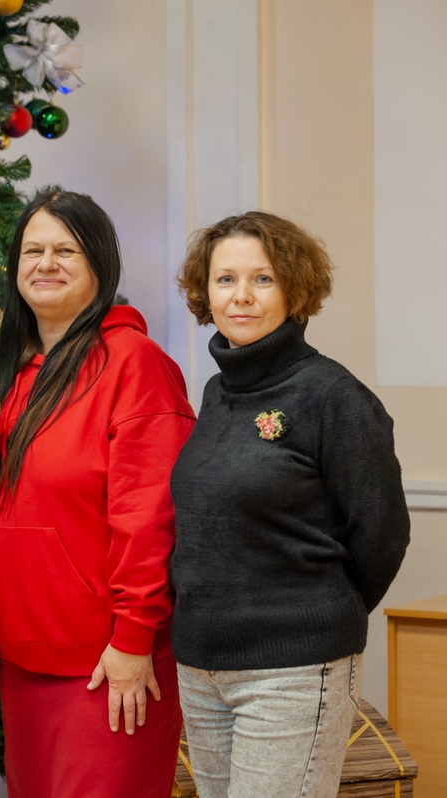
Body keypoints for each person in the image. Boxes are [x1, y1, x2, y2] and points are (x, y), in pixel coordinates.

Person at [0, 191, 194, 798]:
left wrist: (133, 638)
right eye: (33, 251)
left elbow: (150, 518)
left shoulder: (136, 366)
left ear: (100, 265)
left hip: (107, 663)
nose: (46, 264)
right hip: (19, 656)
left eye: (66, 251)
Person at [169, 211, 410, 798]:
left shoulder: (335, 397)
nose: (241, 296)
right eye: (225, 280)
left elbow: (382, 534)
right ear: (205, 292)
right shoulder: (217, 391)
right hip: (201, 666)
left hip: (293, 670)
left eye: (263, 279)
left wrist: (315, 613)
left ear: (295, 289)